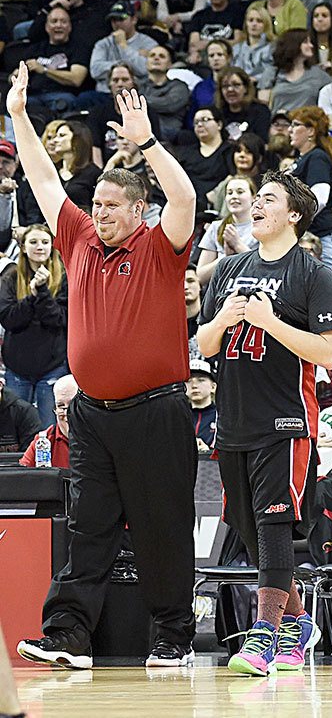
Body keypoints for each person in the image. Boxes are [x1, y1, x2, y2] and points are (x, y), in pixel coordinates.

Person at [9, 65, 199, 670]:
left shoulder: (160, 246)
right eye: (97, 203)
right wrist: (18, 115)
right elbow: (41, 177)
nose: (101, 212)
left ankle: (173, 634)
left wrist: (146, 142)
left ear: (140, 209)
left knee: (161, 529)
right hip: (91, 414)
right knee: (86, 530)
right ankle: (67, 637)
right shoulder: (80, 239)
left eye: (112, 205)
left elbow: (187, 198)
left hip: (157, 411)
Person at [195, 169, 332, 676]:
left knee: (275, 524)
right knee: (250, 529)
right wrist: (222, 321)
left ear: (294, 215)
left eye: (268, 199)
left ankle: (262, 635)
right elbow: (204, 345)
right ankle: (297, 622)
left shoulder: (312, 274)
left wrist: (270, 324)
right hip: (233, 418)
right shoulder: (230, 267)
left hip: (285, 420)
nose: (256, 205)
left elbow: (329, 353)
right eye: (255, 198)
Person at [0, 223, 68, 428]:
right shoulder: (10, 277)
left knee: (50, 429)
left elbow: (60, 320)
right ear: (22, 246)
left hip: (52, 367)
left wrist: (43, 292)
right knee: (15, 429)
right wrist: (32, 297)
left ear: (52, 246)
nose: (40, 247)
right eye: (34, 242)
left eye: (45, 242)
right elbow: (8, 319)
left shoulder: (64, 277)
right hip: (17, 369)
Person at [286, 106, 332, 270]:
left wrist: (293, 221)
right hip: (304, 237)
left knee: (324, 293)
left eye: (296, 125)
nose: (290, 130)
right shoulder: (303, 158)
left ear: (311, 131)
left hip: (319, 239)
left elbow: (320, 197)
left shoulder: (318, 157)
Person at [195, 175, 258, 285]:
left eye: (240, 192)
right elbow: (200, 277)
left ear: (254, 197)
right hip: (222, 290)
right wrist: (225, 257)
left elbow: (264, 269)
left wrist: (238, 246)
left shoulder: (262, 226)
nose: (234, 196)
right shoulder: (216, 227)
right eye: (229, 193)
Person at [20, 374, 77, 468]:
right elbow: (21, 477)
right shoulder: (43, 442)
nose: (67, 413)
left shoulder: (100, 439)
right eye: (61, 406)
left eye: (73, 405)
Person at [187, 358, 217, 452]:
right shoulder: (177, 417)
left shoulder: (222, 417)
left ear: (213, 387)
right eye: (189, 380)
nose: (194, 385)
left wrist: (208, 451)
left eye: (201, 380)